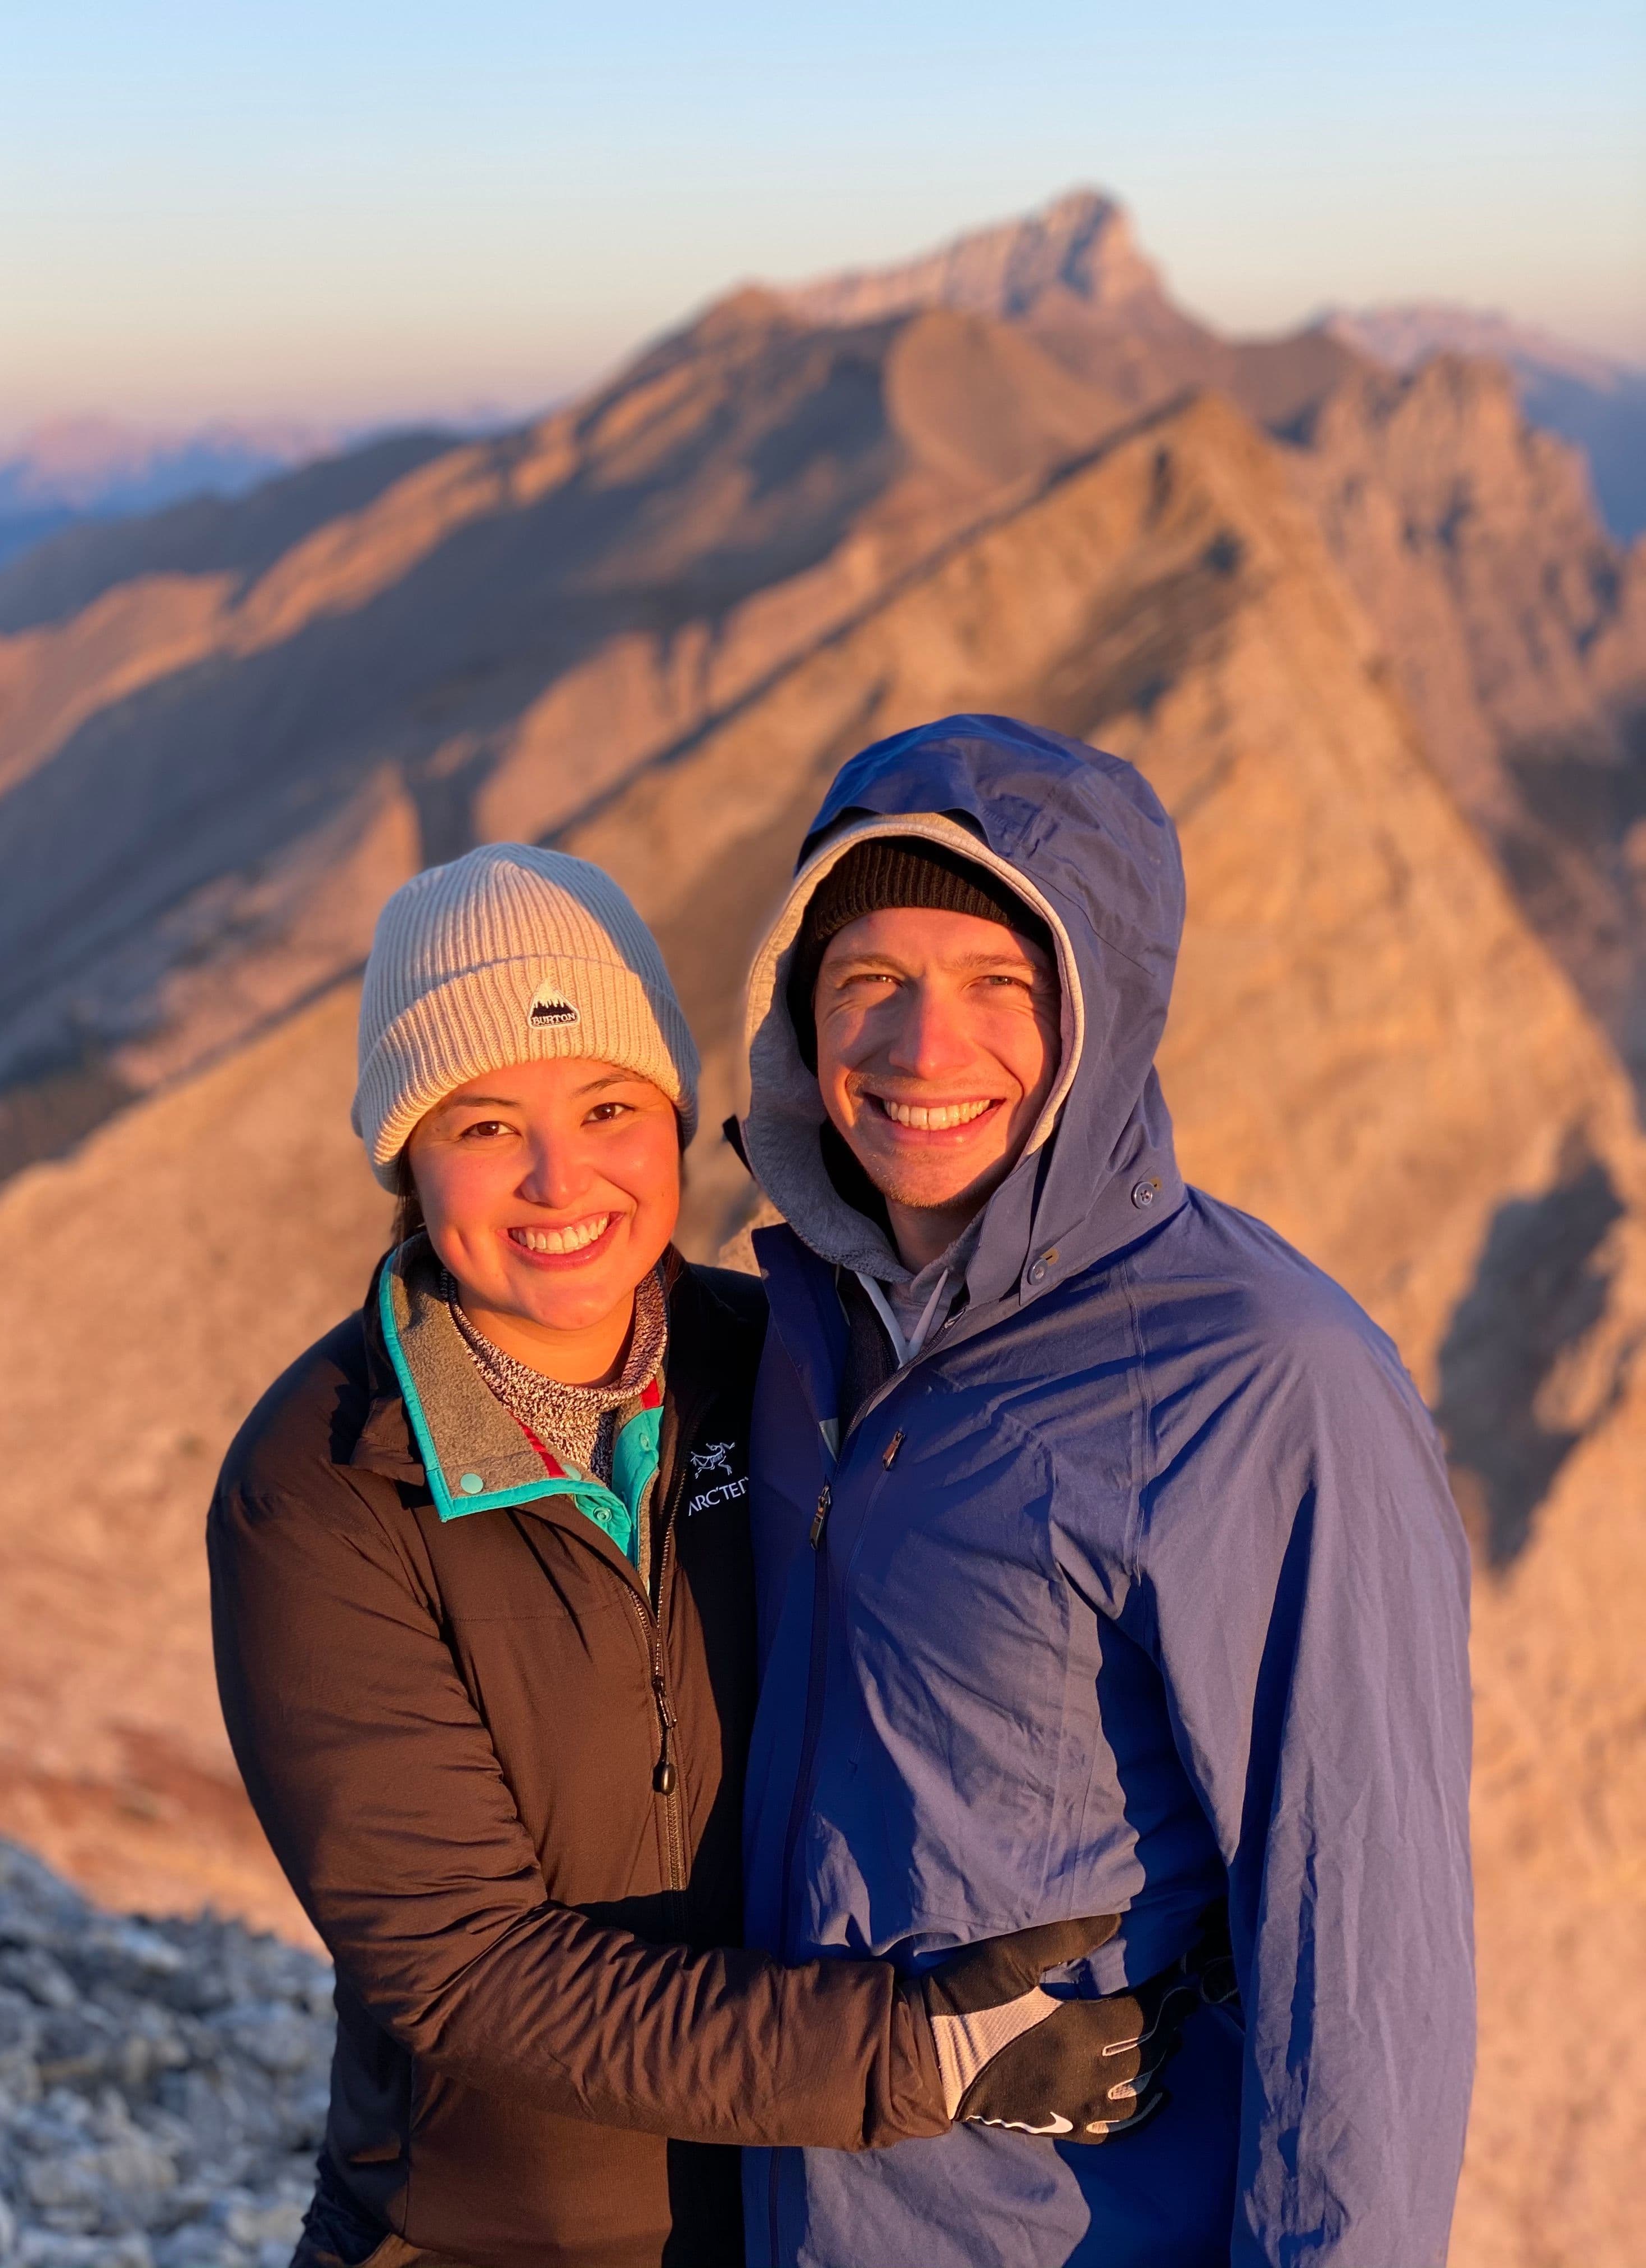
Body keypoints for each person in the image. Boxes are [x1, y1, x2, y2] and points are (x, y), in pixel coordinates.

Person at [208, 842, 1171, 2268]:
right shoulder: (326, 1486)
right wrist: (921, 2056)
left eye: (608, 1106)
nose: (560, 1179)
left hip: (828, 2221)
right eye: (484, 1125)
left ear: (674, 1118)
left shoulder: (798, 1367)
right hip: (487, 2240)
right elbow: (469, 1972)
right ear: (405, 1155)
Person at [735, 714, 1476, 2266]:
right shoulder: (808, 1341)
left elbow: (1363, 1960)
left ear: (1097, 1019)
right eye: (869, 981)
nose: (923, 1052)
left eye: (999, 986)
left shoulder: (1263, 1380)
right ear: (802, 1020)